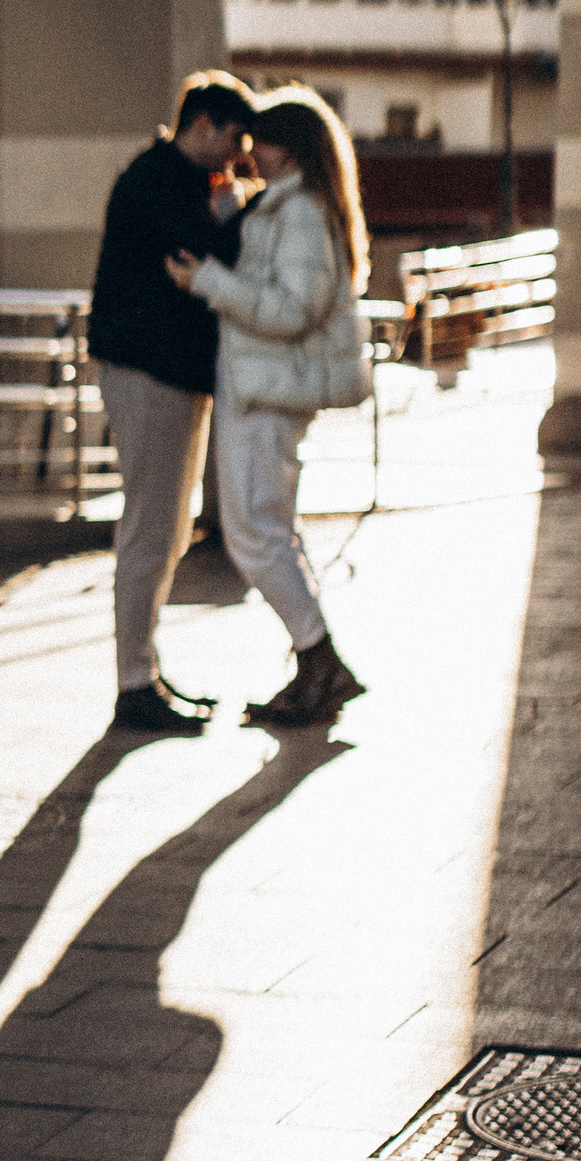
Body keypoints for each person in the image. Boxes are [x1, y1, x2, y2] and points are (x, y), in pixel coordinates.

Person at [166, 86, 371, 729]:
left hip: (268, 393)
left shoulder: (302, 211)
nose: (251, 155)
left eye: (260, 144)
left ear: (287, 149)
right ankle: (316, 664)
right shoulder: (291, 206)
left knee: (253, 536)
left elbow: (291, 309)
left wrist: (207, 281)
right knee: (269, 530)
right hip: (263, 389)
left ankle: (319, 659)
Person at [89, 71, 255, 735]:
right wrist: (232, 215)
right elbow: (203, 255)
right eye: (235, 137)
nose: (238, 155)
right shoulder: (158, 180)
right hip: (148, 371)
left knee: (166, 528)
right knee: (151, 528)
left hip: (168, 372)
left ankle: (144, 673)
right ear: (205, 124)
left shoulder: (172, 178)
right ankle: (134, 684)